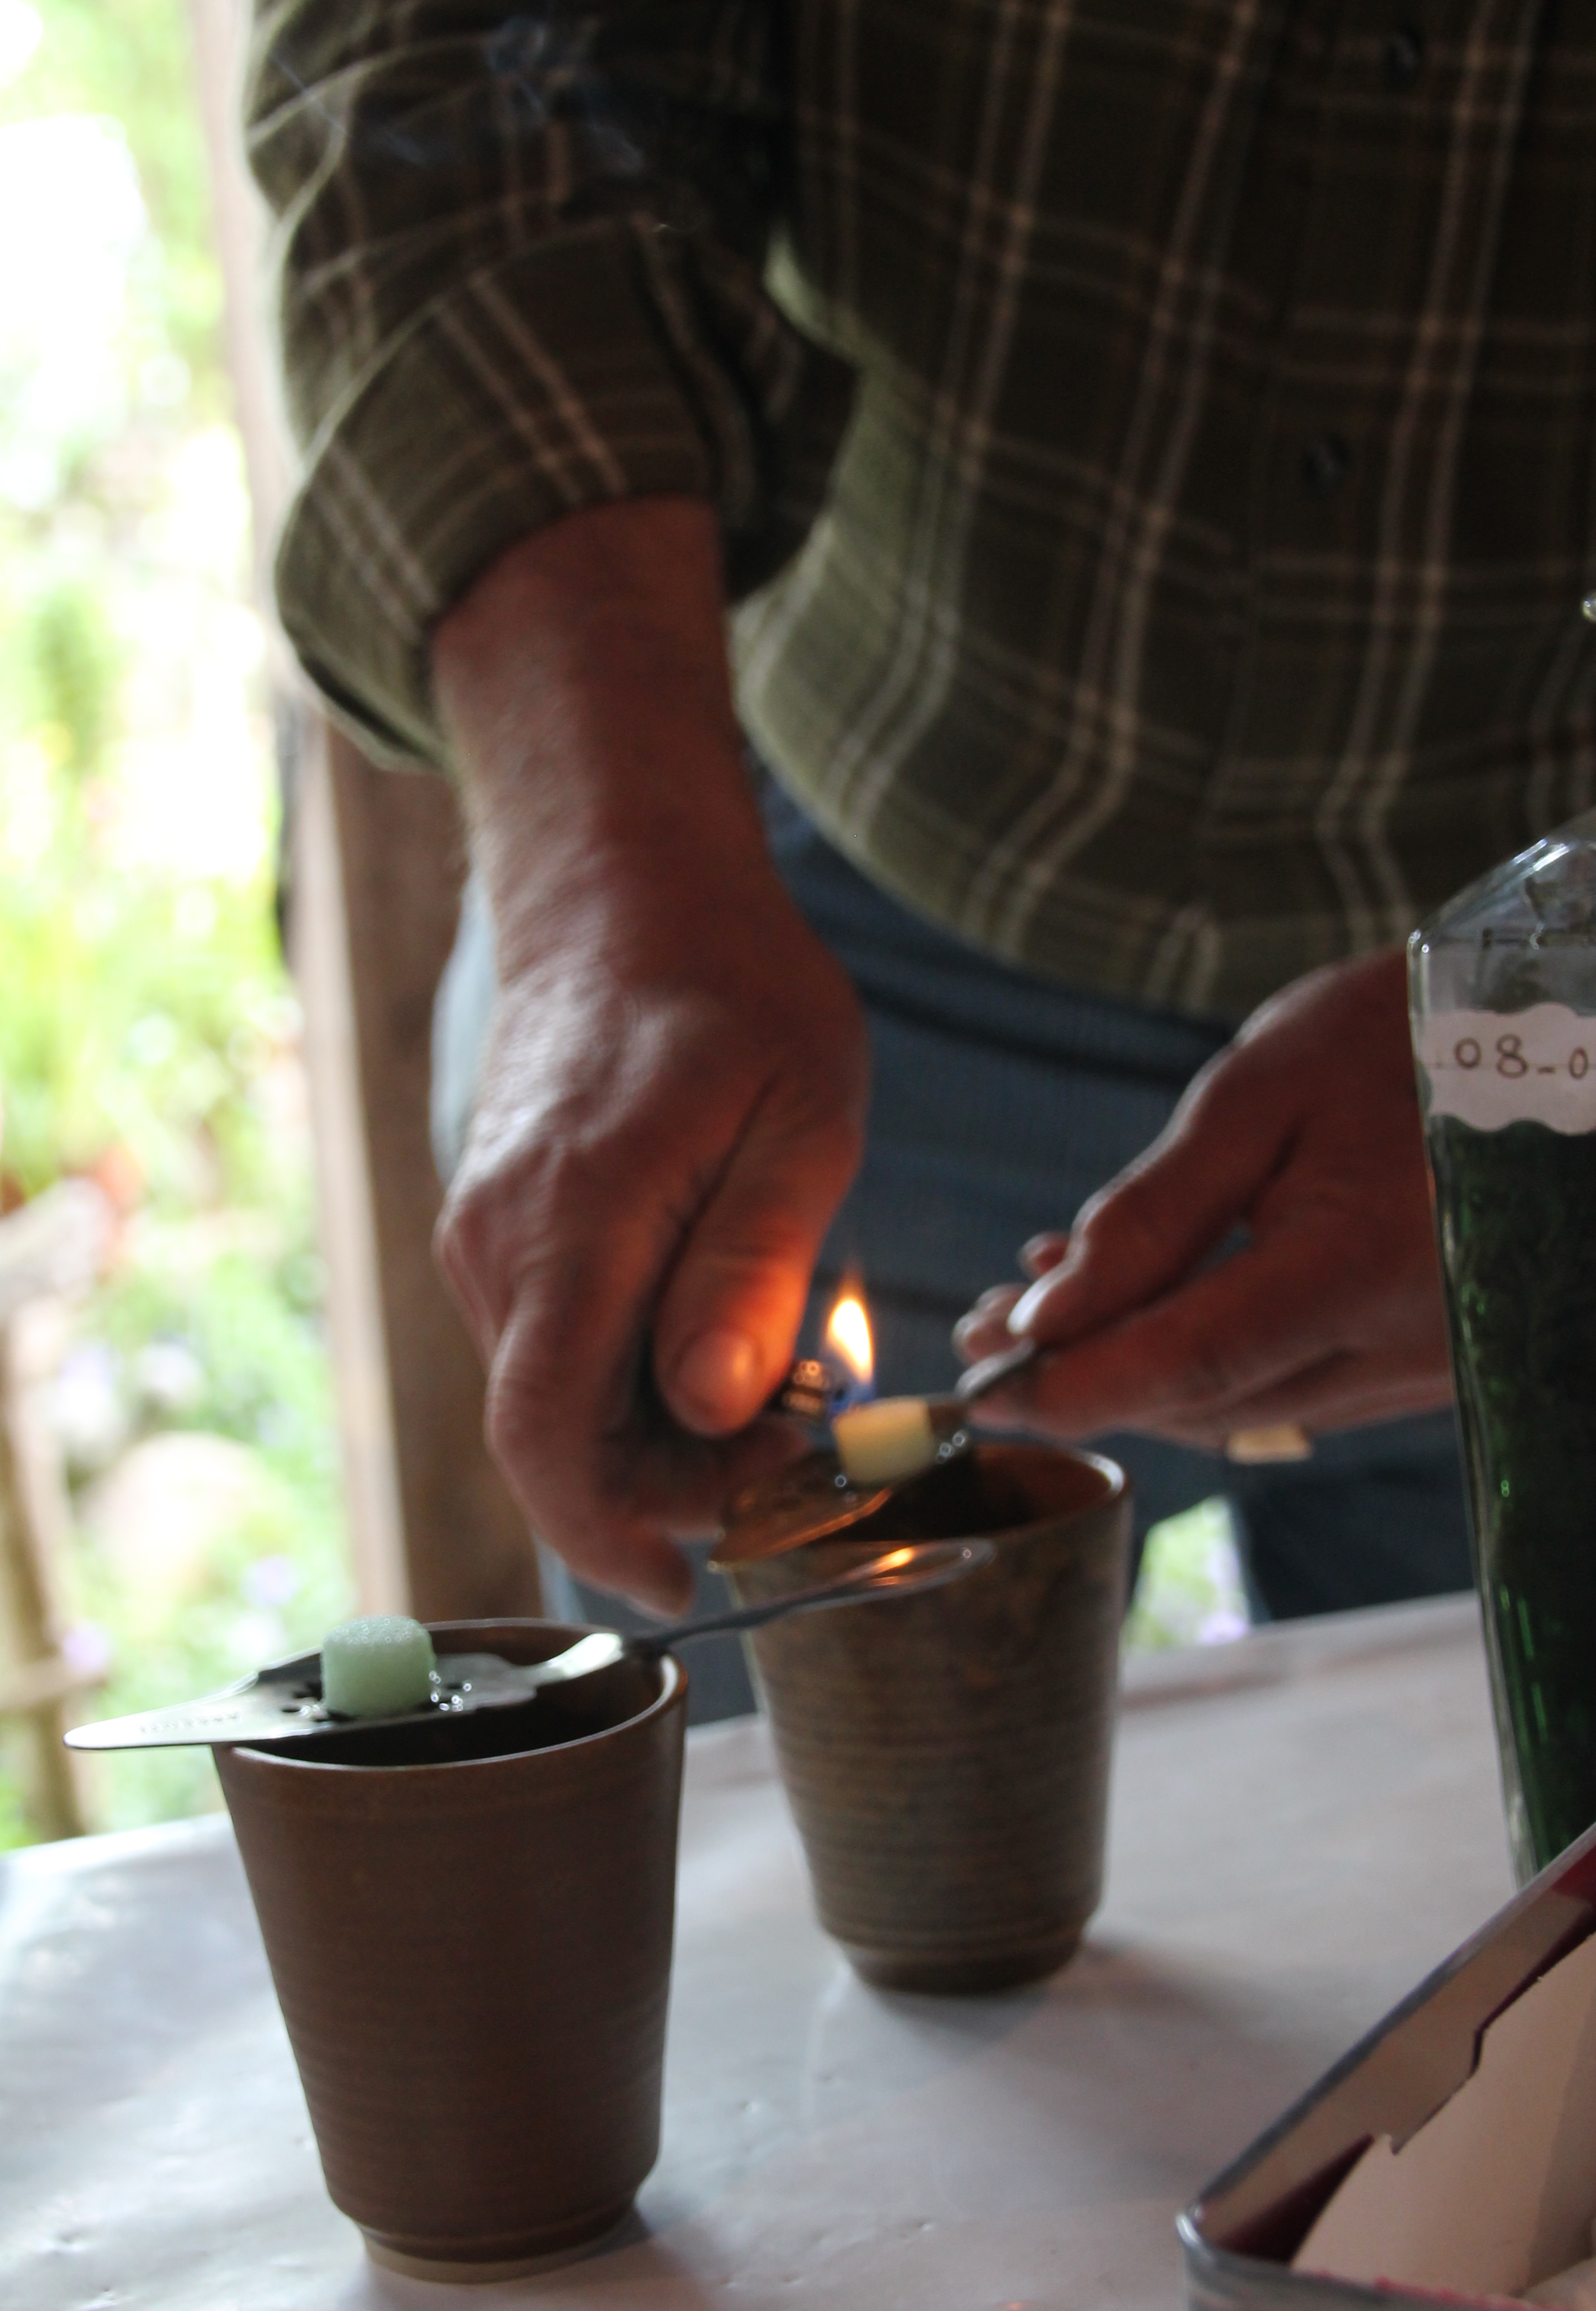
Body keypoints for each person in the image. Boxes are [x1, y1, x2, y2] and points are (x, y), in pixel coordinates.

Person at [244, 1, 1596, 1671]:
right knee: (778, 1797)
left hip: (1550, 1034)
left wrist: (1552, 1044)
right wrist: (606, 876)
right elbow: (456, 60)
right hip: (800, 943)